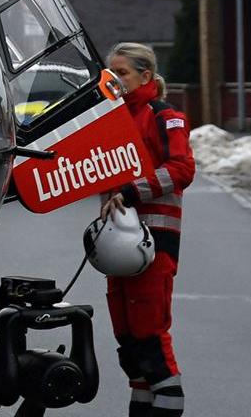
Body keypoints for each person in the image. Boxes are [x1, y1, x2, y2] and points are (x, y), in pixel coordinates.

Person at [98, 41, 194, 416]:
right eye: (112, 73)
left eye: (122, 73)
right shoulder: (110, 117)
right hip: (117, 244)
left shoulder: (163, 116)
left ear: (146, 76)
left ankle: (169, 407)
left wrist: (131, 190)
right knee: (129, 340)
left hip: (154, 242)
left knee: (150, 334)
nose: (116, 80)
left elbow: (183, 169)